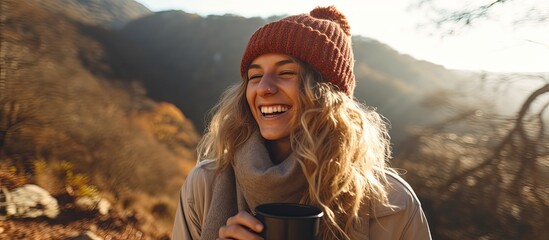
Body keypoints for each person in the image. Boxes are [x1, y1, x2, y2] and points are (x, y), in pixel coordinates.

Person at [172, 6, 432, 240]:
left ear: (328, 95)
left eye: (286, 72)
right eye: (255, 75)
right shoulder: (205, 185)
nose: (263, 88)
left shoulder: (392, 202)